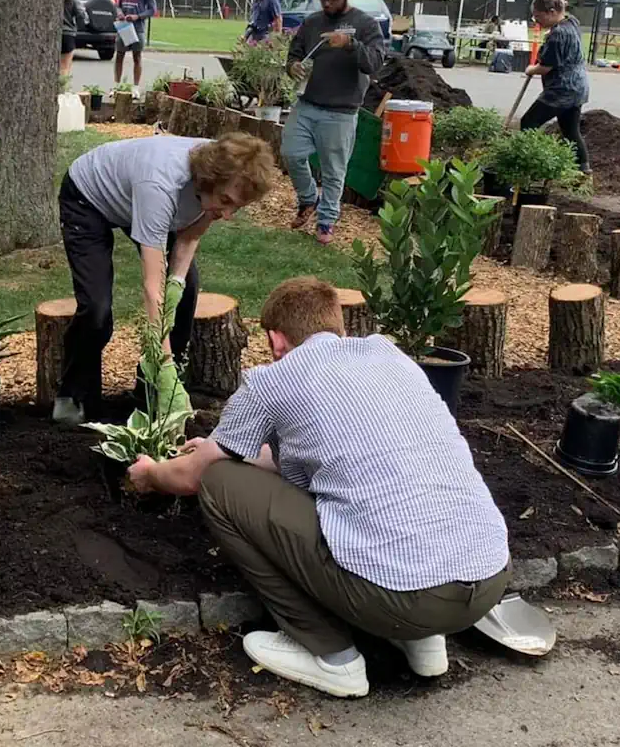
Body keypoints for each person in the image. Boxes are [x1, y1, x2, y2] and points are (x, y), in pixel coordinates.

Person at [128, 277, 511, 698]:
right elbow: (333, 455)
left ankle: (333, 656)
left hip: (401, 599)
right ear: (338, 327)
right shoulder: (387, 355)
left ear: (276, 340)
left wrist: (149, 473)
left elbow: (190, 478)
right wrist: (222, 447)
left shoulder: (272, 381)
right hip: (488, 578)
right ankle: (421, 643)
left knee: (219, 482)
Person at [53, 133, 276, 424]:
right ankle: (74, 396)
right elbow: (152, 286)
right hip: (89, 197)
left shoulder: (224, 179)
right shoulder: (161, 184)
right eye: (225, 201)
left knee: (186, 292)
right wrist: (165, 359)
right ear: (209, 179)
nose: (228, 213)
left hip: (140, 197)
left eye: (237, 206)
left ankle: (151, 390)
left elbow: (191, 235)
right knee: (96, 308)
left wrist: (177, 285)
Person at [281, 0, 385, 245]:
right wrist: (292, 67)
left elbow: (375, 63)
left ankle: (326, 221)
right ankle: (308, 199)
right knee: (290, 152)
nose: (326, 3)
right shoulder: (313, 22)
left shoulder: (365, 25)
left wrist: (351, 45)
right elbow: (295, 53)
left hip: (341, 111)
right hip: (307, 103)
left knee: (333, 170)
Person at [519, 0, 590, 174]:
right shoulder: (571, 22)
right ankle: (583, 170)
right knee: (570, 130)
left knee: (528, 123)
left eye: (538, 16)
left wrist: (530, 69)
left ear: (551, 12)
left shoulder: (558, 35)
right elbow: (564, 11)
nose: (537, 21)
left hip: (561, 90)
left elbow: (545, 67)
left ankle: (530, 165)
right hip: (578, 87)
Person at [114, 0, 158, 92]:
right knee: (119, 55)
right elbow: (117, 6)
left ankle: (135, 88)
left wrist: (138, 16)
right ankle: (116, 85)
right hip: (124, 27)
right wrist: (120, 13)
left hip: (137, 29)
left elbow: (152, 9)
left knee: (136, 57)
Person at [61, 0, 88, 75]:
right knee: (65, 67)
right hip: (68, 34)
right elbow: (81, 14)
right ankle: (62, 89)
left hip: (52, 34)